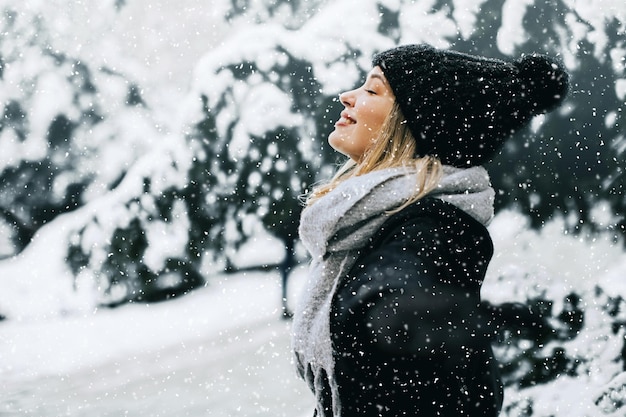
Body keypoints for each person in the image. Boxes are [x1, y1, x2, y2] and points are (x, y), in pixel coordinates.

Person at [291, 44, 569, 417]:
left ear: (416, 125)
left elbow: (409, 296)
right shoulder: (382, 220)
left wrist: (390, 310)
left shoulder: (435, 228)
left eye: (373, 90)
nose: (347, 96)